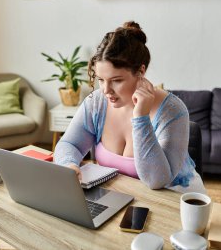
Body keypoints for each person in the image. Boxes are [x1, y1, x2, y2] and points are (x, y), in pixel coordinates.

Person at [54, 21, 205, 193]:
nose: (105, 90)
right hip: (123, 196)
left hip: (176, 201)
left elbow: (157, 180)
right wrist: (69, 164)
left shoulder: (173, 111)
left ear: (141, 72)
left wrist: (141, 117)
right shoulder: (96, 103)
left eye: (116, 80)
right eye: (101, 80)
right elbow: (70, 143)